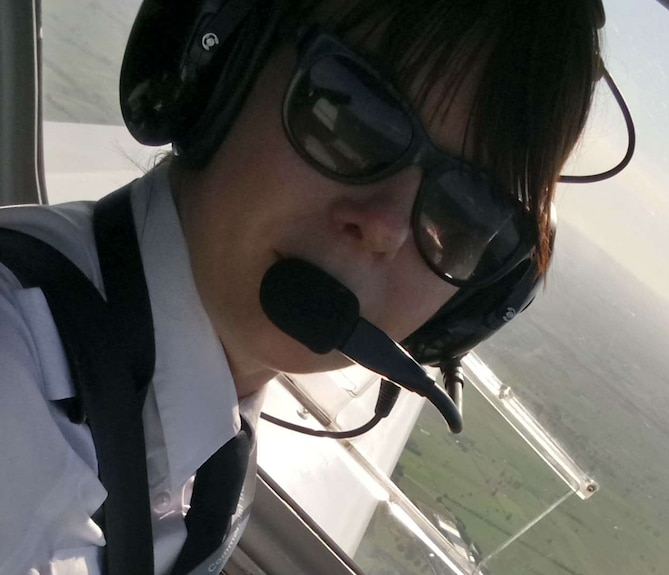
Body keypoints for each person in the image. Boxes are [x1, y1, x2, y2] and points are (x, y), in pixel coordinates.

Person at [0, 0, 603, 572]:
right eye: (352, 115)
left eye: (465, 215)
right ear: (219, 62)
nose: (386, 227)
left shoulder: (207, 438)